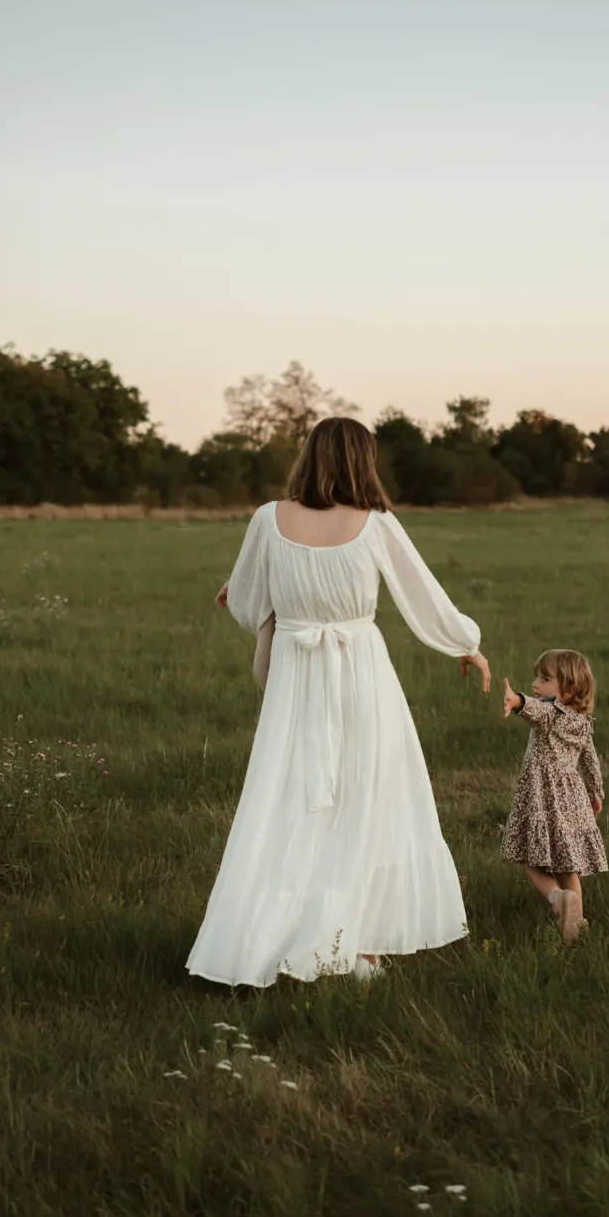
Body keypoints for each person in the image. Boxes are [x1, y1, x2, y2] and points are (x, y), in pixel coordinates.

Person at [186, 416, 490, 986]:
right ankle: (357, 941)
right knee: (364, 796)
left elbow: (249, 600)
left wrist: (242, 599)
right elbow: (422, 592)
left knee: (293, 796)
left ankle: (288, 928)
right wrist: (465, 644)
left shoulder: (266, 519)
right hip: (361, 673)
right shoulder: (376, 523)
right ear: (363, 461)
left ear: (309, 456)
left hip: (297, 675)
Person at [500, 649, 607, 944]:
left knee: (531, 862)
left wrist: (516, 700)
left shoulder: (550, 714)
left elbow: (533, 708)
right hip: (572, 798)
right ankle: (578, 922)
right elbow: (590, 760)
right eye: (537, 676)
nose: (537, 683)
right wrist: (596, 793)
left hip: (544, 797)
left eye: (545, 679)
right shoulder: (583, 723)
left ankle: (557, 898)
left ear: (569, 688)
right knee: (568, 865)